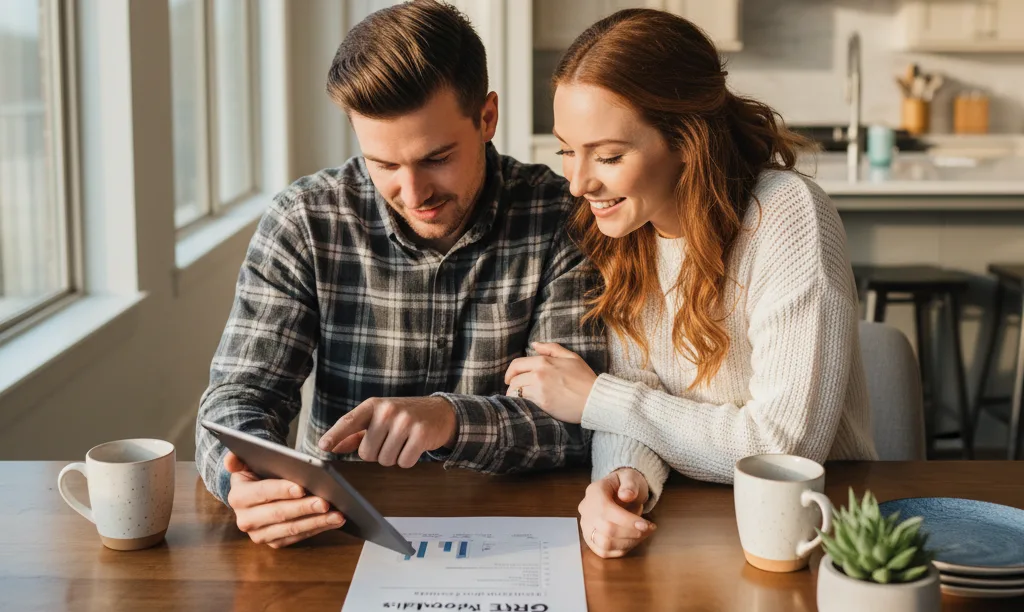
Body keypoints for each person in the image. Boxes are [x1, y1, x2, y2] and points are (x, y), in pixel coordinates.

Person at [195, 0, 605, 549]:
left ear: (487, 118)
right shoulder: (306, 220)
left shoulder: (564, 220)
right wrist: (242, 482)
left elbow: (579, 425)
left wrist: (451, 419)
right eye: (384, 165)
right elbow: (238, 397)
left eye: (436, 158)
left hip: (515, 527)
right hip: (337, 532)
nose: (414, 195)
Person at [503, 8, 878, 559]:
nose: (579, 183)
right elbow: (640, 391)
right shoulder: (627, 227)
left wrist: (595, 398)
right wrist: (622, 479)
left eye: (608, 156)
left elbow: (782, 451)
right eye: (566, 150)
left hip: (816, 532)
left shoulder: (788, 217)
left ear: (687, 140)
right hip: (695, 526)